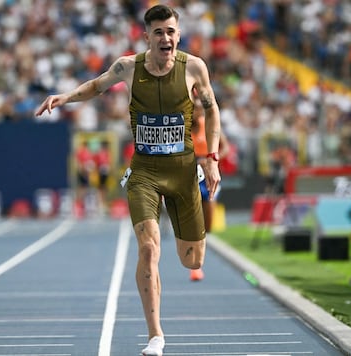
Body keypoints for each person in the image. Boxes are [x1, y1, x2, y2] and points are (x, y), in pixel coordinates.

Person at [35, 5, 222, 355]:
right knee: (149, 247)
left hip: (183, 172)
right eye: (158, 32)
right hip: (145, 173)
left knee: (192, 260)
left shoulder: (194, 67)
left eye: (170, 31)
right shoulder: (128, 67)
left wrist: (211, 158)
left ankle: (185, 262)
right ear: (147, 36)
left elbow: (212, 111)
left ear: (178, 34)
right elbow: (96, 86)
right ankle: (156, 336)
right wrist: (64, 98)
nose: (165, 38)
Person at [189, 94, 230, 281]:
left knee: (208, 226)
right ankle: (195, 265)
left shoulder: (210, 126)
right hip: (190, 178)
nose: (196, 112)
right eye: (193, 108)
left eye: (198, 108)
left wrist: (212, 158)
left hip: (208, 176)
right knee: (194, 221)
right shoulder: (183, 128)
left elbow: (226, 148)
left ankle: (199, 257)